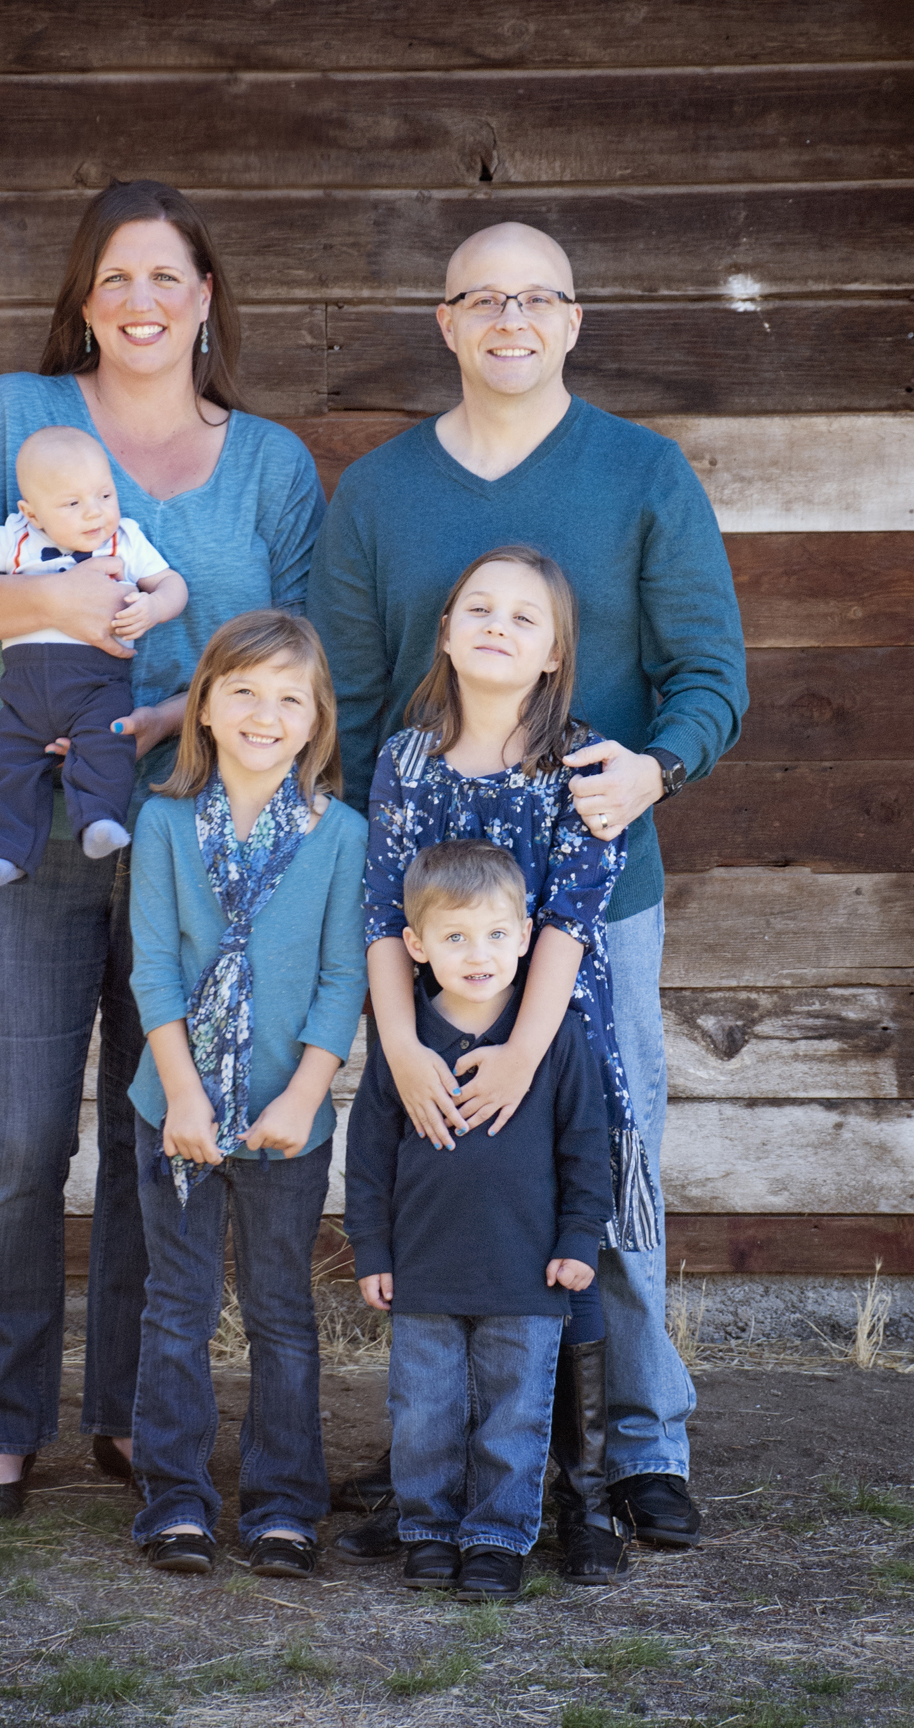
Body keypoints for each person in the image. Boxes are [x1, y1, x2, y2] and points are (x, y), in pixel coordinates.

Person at [309, 221, 748, 1551]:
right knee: (445, 1158)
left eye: (537, 297)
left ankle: (641, 1446)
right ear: (446, 321)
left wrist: (657, 770)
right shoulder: (379, 494)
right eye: (483, 298)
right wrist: (375, 920)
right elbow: (350, 703)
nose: (511, 318)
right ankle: (448, 1445)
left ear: (573, 319)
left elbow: (709, 673)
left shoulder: (642, 473)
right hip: (431, 917)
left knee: (603, 1159)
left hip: (590, 902)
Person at [0, 180, 325, 1517]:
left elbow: (298, 654)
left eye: (166, 277)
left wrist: (177, 713)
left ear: (206, 298)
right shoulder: (9, 416)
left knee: (161, 1137)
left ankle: (143, 1416)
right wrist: (63, 599)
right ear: (83, 302)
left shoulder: (271, 466)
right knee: (24, 1134)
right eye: (115, 278)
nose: (141, 301)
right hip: (20, 820)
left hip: (200, 836)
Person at [346, 546, 637, 1585]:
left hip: (551, 1036)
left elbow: (571, 914)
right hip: (433, 1039)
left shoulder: (583, 761)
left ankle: (582, 1498)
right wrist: (400, 1047)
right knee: (453, 1241)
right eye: (479, 608)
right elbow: (383, 912)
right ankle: (433, 1496)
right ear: (446, 631)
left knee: (559, 1238)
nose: (499, 626)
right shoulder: (407, 760)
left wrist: (524, 1050)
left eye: (525, 617)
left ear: (556, 650)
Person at [126, 612, 367, 1577]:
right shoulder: (163, 822)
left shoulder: (341, 835)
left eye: (289, 699)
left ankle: (282, 1506)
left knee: (280, 1312)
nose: (266, 714)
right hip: (174, 1109)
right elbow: (151, 969)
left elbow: (343, 979)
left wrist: (306, 1096)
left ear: (316, 722)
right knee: (177, 1309)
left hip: (285, 1117)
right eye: (244, 693)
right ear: (205, 709)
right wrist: (183, 1096)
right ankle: (175, 1502)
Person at [346, 840, 617, 1599]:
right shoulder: (404, 1046)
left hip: (526, 1272)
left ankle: (498, 1538)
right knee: (423, 1414)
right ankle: (429, 1532)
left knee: (513, 1417)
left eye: (497, 933)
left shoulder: (554, 1039)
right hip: (425, 1269)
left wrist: (578, 1240)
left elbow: (586, 1148)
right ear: (417, 945)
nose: (478, 954)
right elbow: (368, 1158)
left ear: (526, 936)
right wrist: (372, 1250)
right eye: (456, 936)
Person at [0, 425, 188, 890]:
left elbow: (172, 583)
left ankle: (99, 821)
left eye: (105, 494)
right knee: (8, 764)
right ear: (31, 513)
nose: (95, 511)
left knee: (108, 744)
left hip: (98, 684)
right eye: (73, 503)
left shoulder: (124, 540)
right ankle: (6, 852)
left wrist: (155, 607)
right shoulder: (13, 538)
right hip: (24, 691)